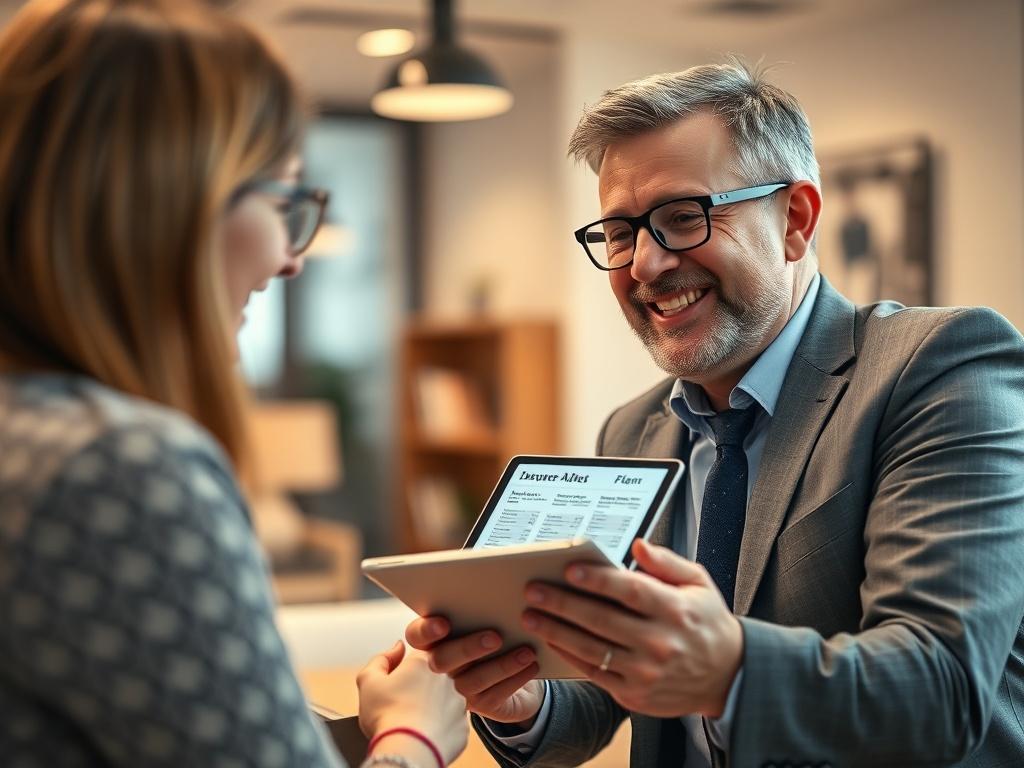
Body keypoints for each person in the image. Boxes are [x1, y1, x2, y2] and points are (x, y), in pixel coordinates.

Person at [407, 60, 1024, 767]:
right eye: (619, 233)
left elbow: (941, 689)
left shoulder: (940, 367)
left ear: (795, 220)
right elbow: (611, 685)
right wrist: (525, 700)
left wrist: (729, 668)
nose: (644, 263)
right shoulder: (632, 431)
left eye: (681, 217)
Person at [0, 1, 467, 766]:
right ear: (170, 201)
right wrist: (414, 732)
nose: (291, 258)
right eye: (284, 203)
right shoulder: (118, 470)